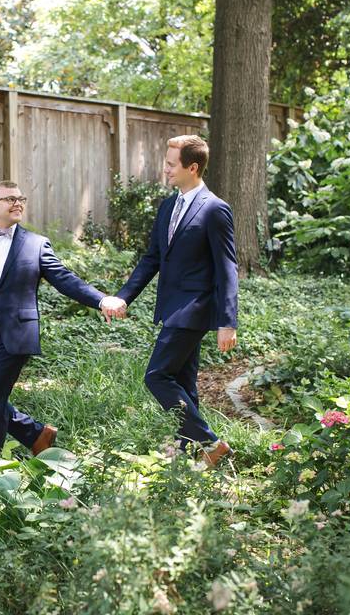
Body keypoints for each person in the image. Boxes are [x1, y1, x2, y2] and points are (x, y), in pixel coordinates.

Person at [0, 180, 126, 456]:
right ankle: (35, 434)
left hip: (17, 335)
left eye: (20, 198)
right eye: (10, 199)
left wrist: (101, 299)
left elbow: (65, 280)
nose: (17, 203)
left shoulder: (36, 244)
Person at [112, 135, 239, 467]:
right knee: (184, 383)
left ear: (192, 167)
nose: (165, 169)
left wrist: (228, 321)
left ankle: (212, 443)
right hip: (170, 307)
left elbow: (227, 269)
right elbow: (152, 258)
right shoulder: (168, 206)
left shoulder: (215, 209)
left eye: (171, 164)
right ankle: (183, 459)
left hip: (195, 310)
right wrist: (124, 298)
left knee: (157, 376)